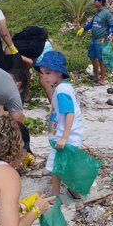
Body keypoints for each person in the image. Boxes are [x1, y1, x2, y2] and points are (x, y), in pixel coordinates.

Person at [37, 51, 83, 198]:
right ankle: (74, 191)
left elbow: (69, 113)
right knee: (66, 166)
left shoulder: (61, 90)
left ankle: (55, 196)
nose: (44, 76)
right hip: (67, 134)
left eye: (48, 73)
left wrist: (64, 137)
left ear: (59, 73)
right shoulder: (64, 87)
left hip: (66, 136)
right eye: (43, 73)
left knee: (56, 167)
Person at [77, 0, 113, 86]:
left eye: (95, 0)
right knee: (92, 56)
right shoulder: (97, 13)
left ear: (100, 2)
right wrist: (83, 29)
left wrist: (111, 34)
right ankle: (96, 75)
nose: (93, 2)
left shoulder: (106, 13)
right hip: (94, 40)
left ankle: (102, 79)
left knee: (101, 59)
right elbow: (92, 24)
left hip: (102, 40)